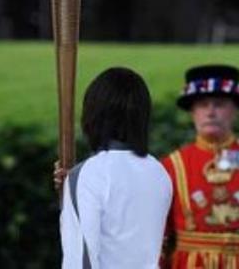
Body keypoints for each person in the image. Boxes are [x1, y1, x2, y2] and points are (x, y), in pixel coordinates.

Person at [160, 65, 239, 268]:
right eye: (202, 104)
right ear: (192, 111)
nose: (210, 112)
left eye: (219, 104)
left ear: (235, 109)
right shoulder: (171, 166)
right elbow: (158, 235)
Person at [60, 67, 172, 269]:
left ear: (93, 114)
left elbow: (80, 260)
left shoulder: (88, 174)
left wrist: (72, 188)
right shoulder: (159, 172)